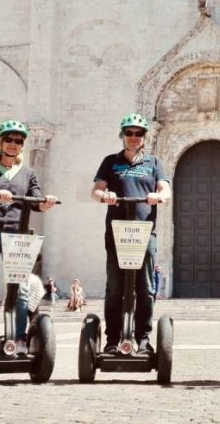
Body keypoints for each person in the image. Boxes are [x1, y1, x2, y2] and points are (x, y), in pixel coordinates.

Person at [91, 113, 172, 355]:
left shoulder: (154, 163)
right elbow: (96, 190)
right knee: (114, 288)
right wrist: (105, 196)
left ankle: (143, 339)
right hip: (117, 232)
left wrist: (159, 196)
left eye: (139, 133)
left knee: (146, 288)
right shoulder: (110, 161)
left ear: (145, 137)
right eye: (129, 133)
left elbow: (166, 189)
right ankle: (113, 339)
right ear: (123, 136)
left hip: (145, 233)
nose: (134, 137)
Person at [0, 120, 57, 355]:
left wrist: (46, 203)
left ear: (22, 145)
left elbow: (35, 202)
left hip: (17, 235)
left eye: (18, 141)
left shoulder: (28, 173)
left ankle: (18, 337)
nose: (13, 144)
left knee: (22, 288)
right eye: (9, 139)